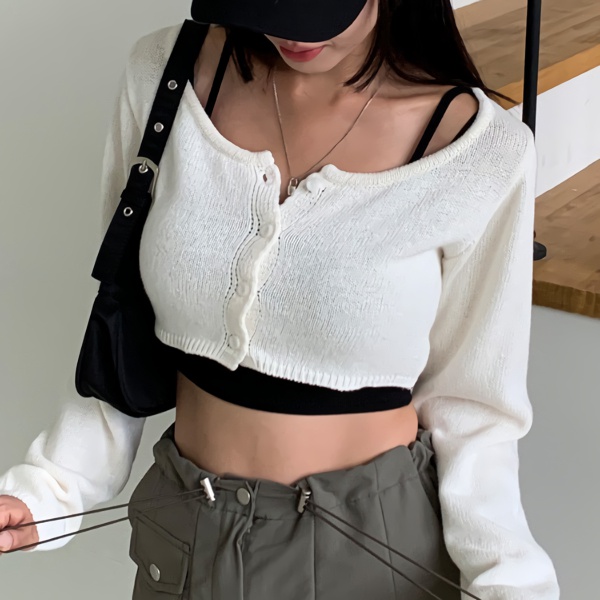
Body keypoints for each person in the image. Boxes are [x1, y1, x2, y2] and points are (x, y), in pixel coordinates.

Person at [0, 1, 560, 598]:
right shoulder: (165, 75)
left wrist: (509, 581)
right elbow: (121, 316)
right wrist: (51, 486)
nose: (287, 32)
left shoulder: (482, 152)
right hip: (186, 539)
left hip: (372, 556)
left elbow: (474, 411)